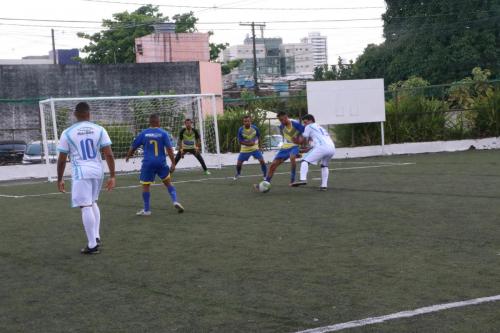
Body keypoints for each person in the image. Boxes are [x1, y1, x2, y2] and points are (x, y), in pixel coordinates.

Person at [56, 102, 116, 255]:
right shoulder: (100, 129)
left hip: (81, 172)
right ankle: (96, 236)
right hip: (97, 171)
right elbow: (108, 154)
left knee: (85, 206)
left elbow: (62, 159)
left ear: (75, 114)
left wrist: (59, 179)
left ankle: (92, 245)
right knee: (92, 202)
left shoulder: (67, 132)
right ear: (89, 114)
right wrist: (113, 175)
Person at [126, 114, 184, 216]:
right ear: (158, 122)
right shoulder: (163, 133)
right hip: (161, 163)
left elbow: (134, 146)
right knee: (168, 183)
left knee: (145, 186)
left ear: (150, 122)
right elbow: (169, 149)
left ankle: (147, 210)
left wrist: (128, 156)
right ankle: (175, 200)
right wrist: (173, 163)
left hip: (148, 163)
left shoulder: (144, 133)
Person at [259, 111, 304, 187]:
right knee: (273, 165)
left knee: (292, 157)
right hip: (285, 147)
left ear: (286, 117)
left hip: (295, 146)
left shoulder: (296, 124)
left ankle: (292, 180)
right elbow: (288, 137)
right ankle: (266, 183)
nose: (281, 121)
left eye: (282, 119)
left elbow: (305, 134)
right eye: (280, 120)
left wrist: (301, 142)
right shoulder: (281, 126)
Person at [291, 114, 335, 191]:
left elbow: (304, 138)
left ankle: (303, 179)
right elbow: (313, 144)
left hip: (322, 147)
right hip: (332, 148)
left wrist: (296, 138)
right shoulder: (320, 127)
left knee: (304, 161)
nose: (304, 125)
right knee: (324, 165)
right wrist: (307, 149)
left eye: (305, 122)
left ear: (310, 120)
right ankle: (324, 186)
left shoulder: (309, 126)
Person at [235, 115, 267, 180]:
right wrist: (249, 144)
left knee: (262, 161)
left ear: (250, 121)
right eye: (245, 121)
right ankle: (238, 173)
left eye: (248, 121)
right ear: (243, 122)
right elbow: (240, 141)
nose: (247, 122)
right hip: (244, 149)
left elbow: (259, 137)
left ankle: (265, 175)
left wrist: (260, 146)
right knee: (239, 163)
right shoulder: (241, 129)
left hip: (255, 149)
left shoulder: (255, 128)